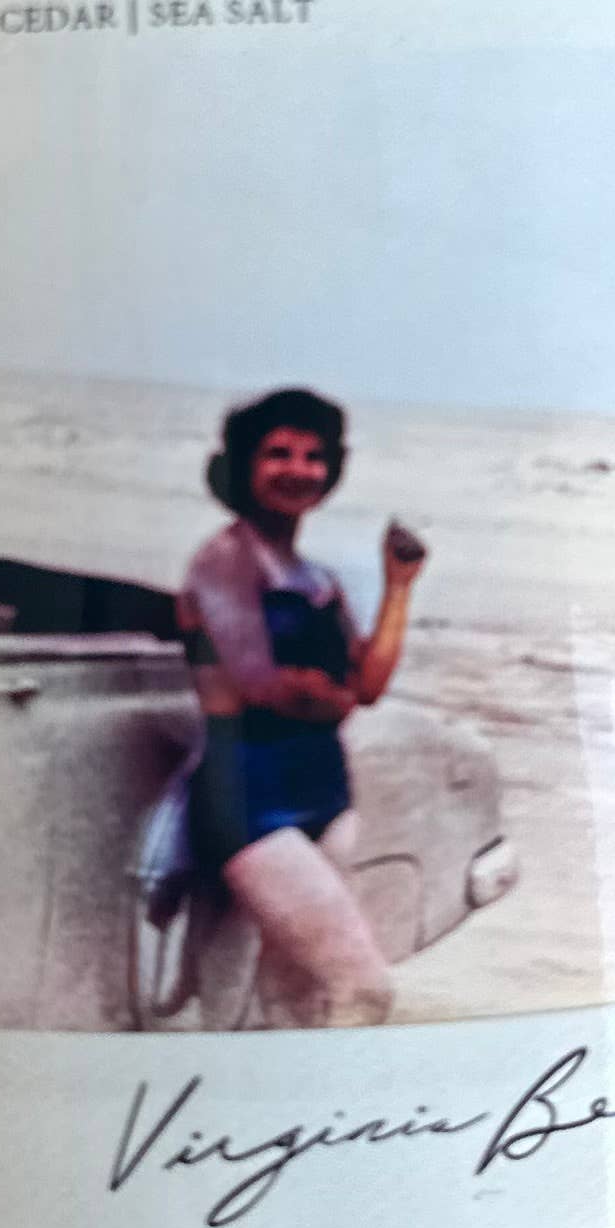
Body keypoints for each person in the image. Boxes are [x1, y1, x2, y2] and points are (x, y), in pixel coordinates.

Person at [179, 387, 427, 1028]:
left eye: (314, 456)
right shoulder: (223, 561)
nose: (299, 469)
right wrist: (329, 692)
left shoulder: (317, 579)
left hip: (325, 795)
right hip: (248, 801)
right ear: (244, 464)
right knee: (364, 988)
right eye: (278, 454)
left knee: (295, 1000)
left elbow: (367, 685)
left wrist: (398, 586)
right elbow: (262, 686)